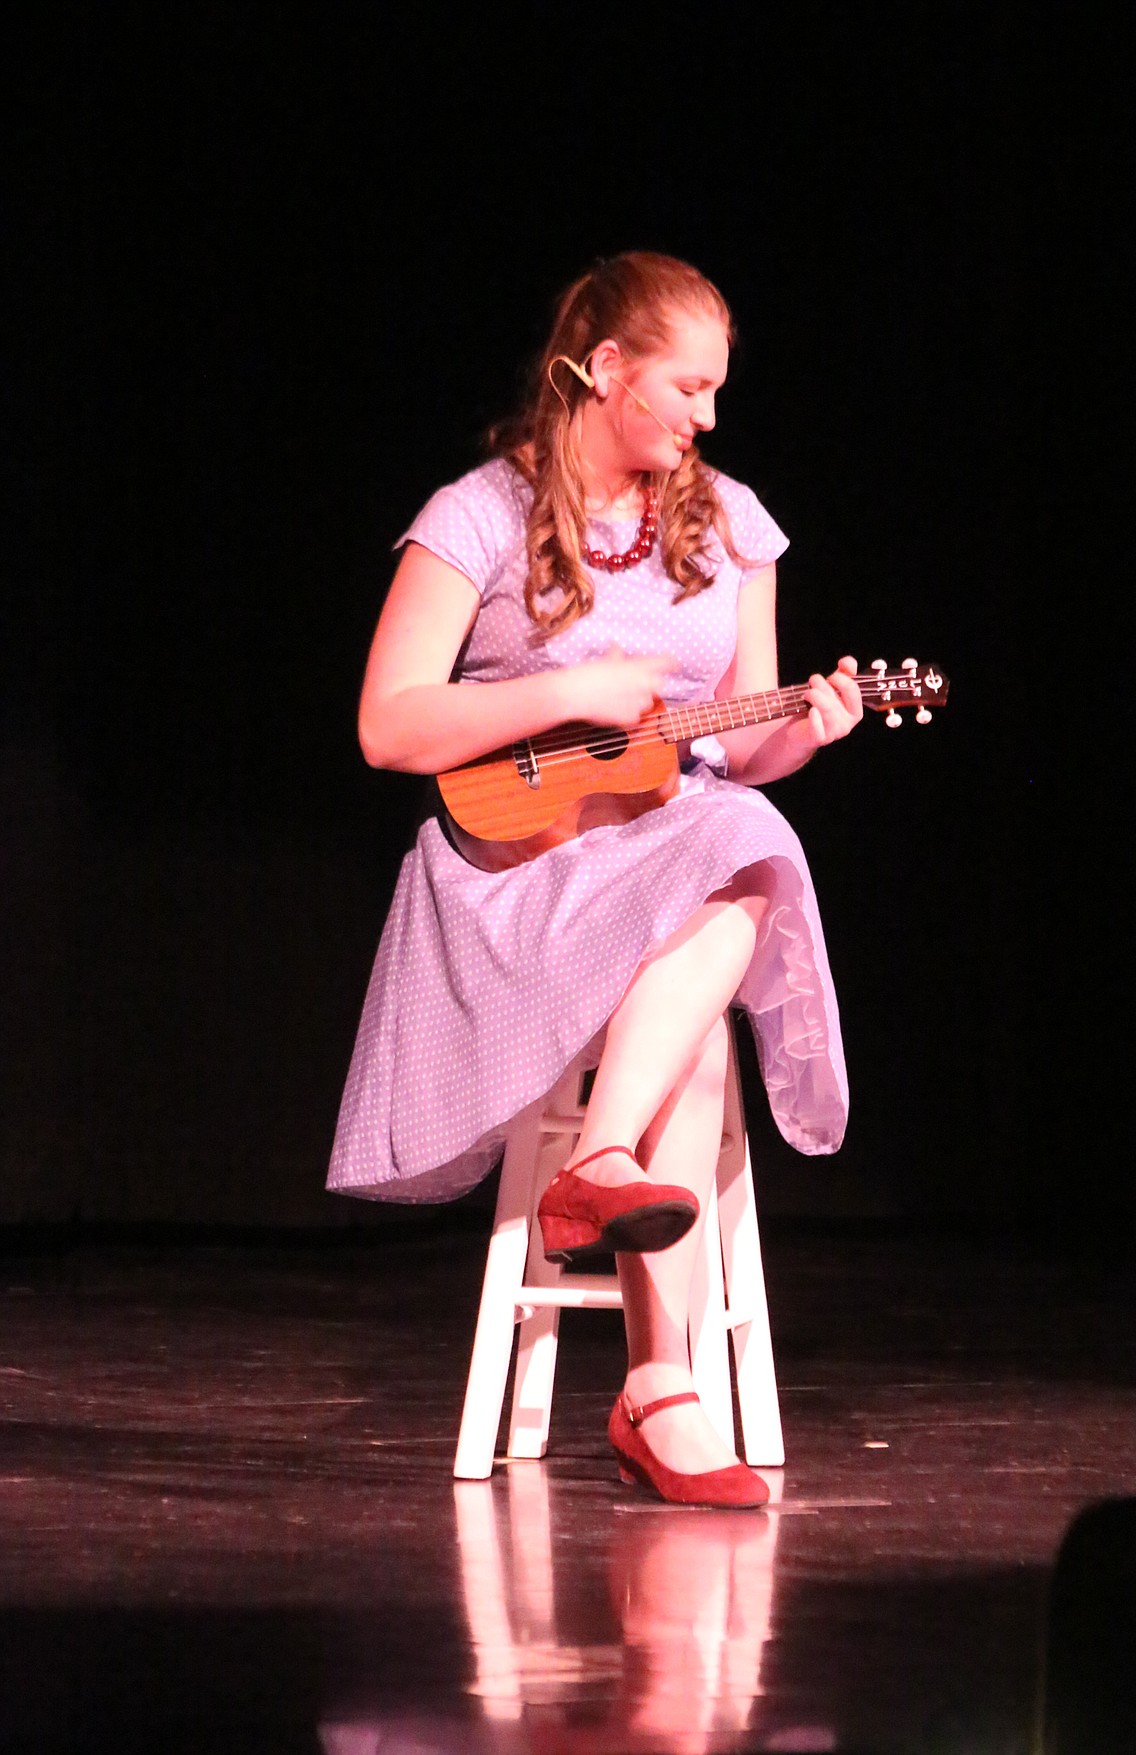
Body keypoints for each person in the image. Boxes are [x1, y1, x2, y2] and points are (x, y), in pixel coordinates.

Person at [329, 252, 862, 1507]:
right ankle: (658, 1388)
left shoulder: (733, 528)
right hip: (517, 877)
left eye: (719, 393)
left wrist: (809, 727)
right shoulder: (477, 516)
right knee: (727, 879)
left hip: (672, 847)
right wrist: (568, 690)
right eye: (688, 387)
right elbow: (389, 727)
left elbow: (736, 747)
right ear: (606, 369)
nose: (709, 419)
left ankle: (610, 1183)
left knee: (743, 843)